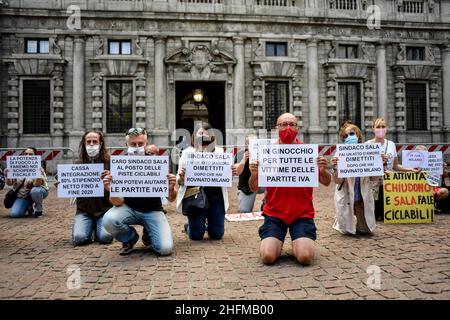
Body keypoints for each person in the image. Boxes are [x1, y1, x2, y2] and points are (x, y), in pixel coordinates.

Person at [248, 113, 331, 265]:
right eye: (283, 124)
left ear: (297, 128)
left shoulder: (307, 152)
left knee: (305, 257)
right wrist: (254, 175)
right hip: (274, 213)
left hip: (302, 214)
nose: (287, 128)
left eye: (291, 124)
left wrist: (323, 170)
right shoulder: (268, 153)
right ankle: (278, 240)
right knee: (267, 257)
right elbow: (253, 187)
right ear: (277, 128)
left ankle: (299, 240)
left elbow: (326, 182)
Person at [102, 128, 177, 256]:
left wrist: (171, 187)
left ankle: (149, 233)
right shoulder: (118, 164)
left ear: (146, 144)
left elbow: (171, 199)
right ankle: (130, 238)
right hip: (128, 209)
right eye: (133, 144)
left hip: (153, 210)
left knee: (165, 249)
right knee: (109, 220)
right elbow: (118, 201)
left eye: (140, 144)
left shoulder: (157, 163)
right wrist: (111, 189)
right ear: (126, 145)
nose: (137, 147)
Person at [176, 122, 238, 240]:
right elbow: (179, 180)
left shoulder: (220, 153)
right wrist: (182, 179)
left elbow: (225, 177)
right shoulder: (187, 153)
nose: (203, 135)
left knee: (217, 235)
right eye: (200, 133)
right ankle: (190, 226)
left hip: (216, 196)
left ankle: (209, 224)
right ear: (195, 135)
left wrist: (231, 173)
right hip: (195, 196)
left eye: (206, 133)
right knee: (196, 236)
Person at [331, 121, 380, 235]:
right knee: (347, 230)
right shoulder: (340, 153)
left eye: (351, 134)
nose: (349, 137)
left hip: (362, 195)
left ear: (358, 135)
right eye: (346, 136)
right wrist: (335, 168)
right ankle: (339, 220)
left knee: (365, 230)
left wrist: (381, 164)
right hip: (347, 194)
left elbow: (374, 178)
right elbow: (338, 181)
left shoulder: (368, 151)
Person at [366, 118, 418, 221]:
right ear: (373, 129)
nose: (380, 129)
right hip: (373, 184)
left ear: (386, 129)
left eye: (383, 127)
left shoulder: (391, 144)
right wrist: (376, 161)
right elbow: (364, 168)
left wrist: (410, 170)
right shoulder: (367, 145)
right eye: (378, 127)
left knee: (386, 214)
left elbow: (396, 166)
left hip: (388, 185)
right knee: (375, 215)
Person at [71, 130, 114, 246]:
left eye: (94, 142)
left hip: (104, 210)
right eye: (88, 142)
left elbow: (119, 187)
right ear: (84, 144)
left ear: (101, 144)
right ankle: (81, 226)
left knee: (105, 238)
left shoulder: (110, 163)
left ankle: (96, 228)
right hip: (84, 211)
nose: (91, 144)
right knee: (79, 239)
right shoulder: (78, 165)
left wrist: (111, 178)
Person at [4, 147, 49, 218]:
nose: (27, 156)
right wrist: (6, 175)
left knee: (35, 191)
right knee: (15, 214)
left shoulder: (39, 168)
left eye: (30, 154)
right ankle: (28, 205)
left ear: (35, 156)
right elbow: (9, 183)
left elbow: (36, 184)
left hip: (38, 191)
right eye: (25, 154)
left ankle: (38, 209)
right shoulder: (15, 167)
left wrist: (39, 175)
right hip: (23, 195)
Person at [234, 135, 258, 213]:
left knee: (272, 183)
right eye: (249, 143)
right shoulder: (241, 153)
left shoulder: (263, 153)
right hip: (246, 186)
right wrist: (243, 160)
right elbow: (237, 172)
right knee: (244, 210)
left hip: (262, 183)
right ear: (246, 144)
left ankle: (265, 203)